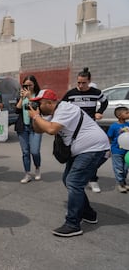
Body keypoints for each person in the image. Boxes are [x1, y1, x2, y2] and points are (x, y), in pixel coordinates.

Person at [28, 89, 110, 237]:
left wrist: (36, 116)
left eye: (39, 103)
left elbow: (51, 130)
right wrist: (36, 118)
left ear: (49, 102)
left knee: (73, 181)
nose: (38, 106)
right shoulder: (53, 112)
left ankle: (73, 224)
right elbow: (39, 130)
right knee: (69, 180)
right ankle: (89, 214)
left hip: (93, 148)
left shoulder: (65, 108)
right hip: (82, 150)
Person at [62, 67, 108, 193]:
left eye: (84, 83)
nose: (81, 85)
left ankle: (93, 180)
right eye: (79, 82)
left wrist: (100, 112)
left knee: (92, 155)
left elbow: (104, 102)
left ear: (89, 81)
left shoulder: (96, 92)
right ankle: (74, 177)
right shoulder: (71, 93)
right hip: (75, 131)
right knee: (75, 155)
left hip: (90, 129)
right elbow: (61, 106)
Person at [15, 75, 42, 183]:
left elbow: (38, 109)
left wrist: (30, 97)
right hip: (23, 127)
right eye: (25, 85)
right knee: (25, 152)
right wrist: (22, 98)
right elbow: (17, 110)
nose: (28, 87)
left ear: (34, 85)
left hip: (35, 127)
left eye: (30, 85)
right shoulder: (21, 95)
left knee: (35, 151)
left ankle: (37, 168)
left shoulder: (39, 96)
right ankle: (27, 174)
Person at [107, 106, 129, 193]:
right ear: (119, 115)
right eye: (127, 113)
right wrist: (107, 149)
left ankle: (123, 182)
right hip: (117, 151)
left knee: (125, 168)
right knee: (118, 168)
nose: (128, 114)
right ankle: (120, 184)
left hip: (127, 151)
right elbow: (109, 137)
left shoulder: (128, 124)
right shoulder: (113, 126)